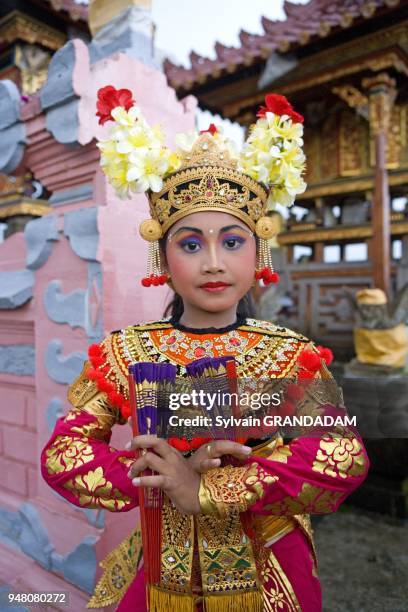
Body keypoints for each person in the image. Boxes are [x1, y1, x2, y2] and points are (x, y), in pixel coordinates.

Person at [41, 89, 369, 611]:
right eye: (191, 244)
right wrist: (161, 478)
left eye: (232, 241)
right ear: (162, 253)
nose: (213, 262)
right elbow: (63, 454)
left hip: (267, 571)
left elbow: (340, 457)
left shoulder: (290, 356)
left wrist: (212, 491)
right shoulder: (125, 354)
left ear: (258, 249)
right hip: (157, 572)